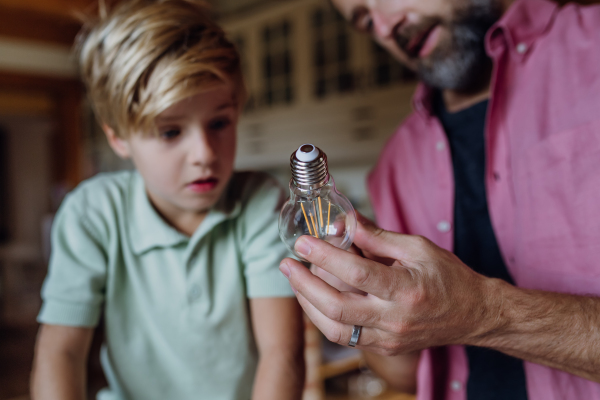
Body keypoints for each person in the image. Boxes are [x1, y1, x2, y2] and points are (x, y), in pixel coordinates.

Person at [279, 0, 600, 399]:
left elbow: (474, 317)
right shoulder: (395, 164)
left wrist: (483, 314)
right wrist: (366, 313)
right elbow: (409, 377)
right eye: (364, 20)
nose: (383, 27)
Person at [30, 1, 305, 399]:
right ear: (119, 138)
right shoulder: (92, 214)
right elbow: (62, 353)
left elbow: (282, 354)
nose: (204, 153)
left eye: (219, 123)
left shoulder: (262, 204)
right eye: (170, 132)